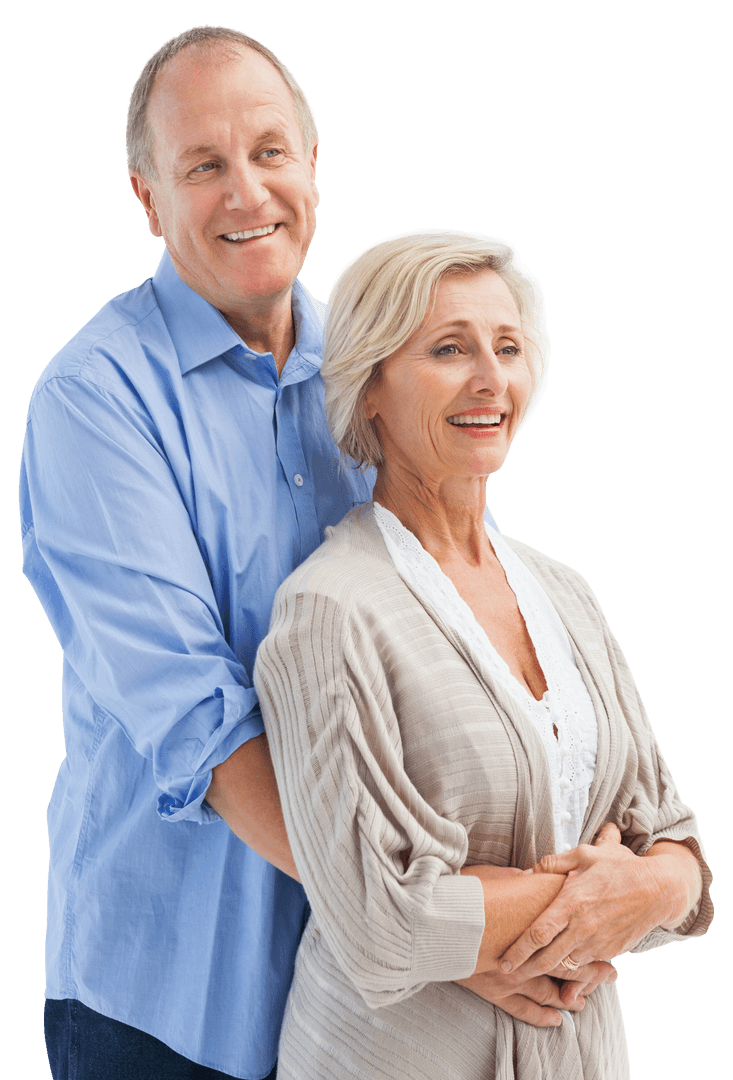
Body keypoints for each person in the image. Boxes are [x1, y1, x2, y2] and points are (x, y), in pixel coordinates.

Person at [254, 229, 714, 1079]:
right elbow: (378, 919)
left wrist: (662, 887)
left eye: (507, 348)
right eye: (448, 348)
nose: (488, 379)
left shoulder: (565, 592)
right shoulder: (328, 611)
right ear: (371, 386)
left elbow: (676, 843)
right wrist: (616, 894)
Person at [19, 24, 376, 1080]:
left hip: (361, 1000)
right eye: (204, 166)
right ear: (146, 196)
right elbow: (195, 721)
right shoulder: (94, 399)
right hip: (167, 1004)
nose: (246, 193)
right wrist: (438, 932)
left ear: (314, 165)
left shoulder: (378, 372)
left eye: (269, 152)